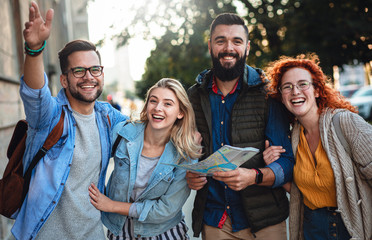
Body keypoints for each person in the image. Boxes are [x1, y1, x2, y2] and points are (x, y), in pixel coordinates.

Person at [12, 2, 128, 239]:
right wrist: (34, 50)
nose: (89, 77)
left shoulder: (109, 117)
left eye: (95, 69)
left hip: (93, 233)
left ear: (102, 74)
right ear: (64, 80)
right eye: (79, 71)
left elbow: (148, 133)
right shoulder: (50, 115)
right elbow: (35, 93)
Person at [186, 13, 294, 240]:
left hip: (265, 221)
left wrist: (254, 176)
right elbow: (185, 152)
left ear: (247, 47)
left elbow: (287, 161)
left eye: (237, 41)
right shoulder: (193, 96)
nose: (229, 48)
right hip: (215, 220)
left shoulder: (268, 94)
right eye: (220, 40)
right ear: (210, 46)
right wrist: (190, 173)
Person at [264, 54, 372, 240]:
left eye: (303, 84)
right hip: (313, 227)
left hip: (351, 226)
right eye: (287, 87)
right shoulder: (293, 138)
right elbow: (302, 192)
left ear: (317, 90)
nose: (295, 91)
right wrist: (273, 166)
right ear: (281, 98)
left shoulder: (345, 123)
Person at [88, 78, 202, 239]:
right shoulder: (123, 133)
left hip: (164, 233)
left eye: (168, 104)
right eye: (153, 101)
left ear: (180, 112)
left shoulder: (186, 153)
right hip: (121, 231)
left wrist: (112, 205)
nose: (158, 108)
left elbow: (165, 209)